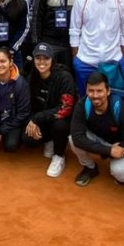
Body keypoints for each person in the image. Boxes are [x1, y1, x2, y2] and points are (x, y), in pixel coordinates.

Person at [67, 71, 124, 187]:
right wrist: (108, 150)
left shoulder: (122, 108)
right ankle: (90, 168)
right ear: (86, 91)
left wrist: (113, 150)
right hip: (103, 142)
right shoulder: (82, 105)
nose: (95, 95)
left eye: (99, 91)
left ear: (108, 91)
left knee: (122, 175)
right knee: (72, 139)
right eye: (91, 91)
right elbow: (77, 138)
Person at [69, 0, 124, 94]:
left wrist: (122, 53)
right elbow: (75, 29)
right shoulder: (82, 0)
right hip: (85, 61)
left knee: (116, 97)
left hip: (113, 60)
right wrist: (77, 58)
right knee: (86, 97)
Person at [25, 43, 78, 178]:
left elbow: (65, 108)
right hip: (44, 118)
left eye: (46, 58)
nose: (42, 62)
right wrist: (32, 120)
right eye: (38, 58)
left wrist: (38, 117)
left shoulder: (65, 77)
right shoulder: (32, 77)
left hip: (61, 119)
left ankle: (59, 156)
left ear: (52, 60)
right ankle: (49, 140)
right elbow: (30, 104)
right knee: (27, 139)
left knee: (59, 126)